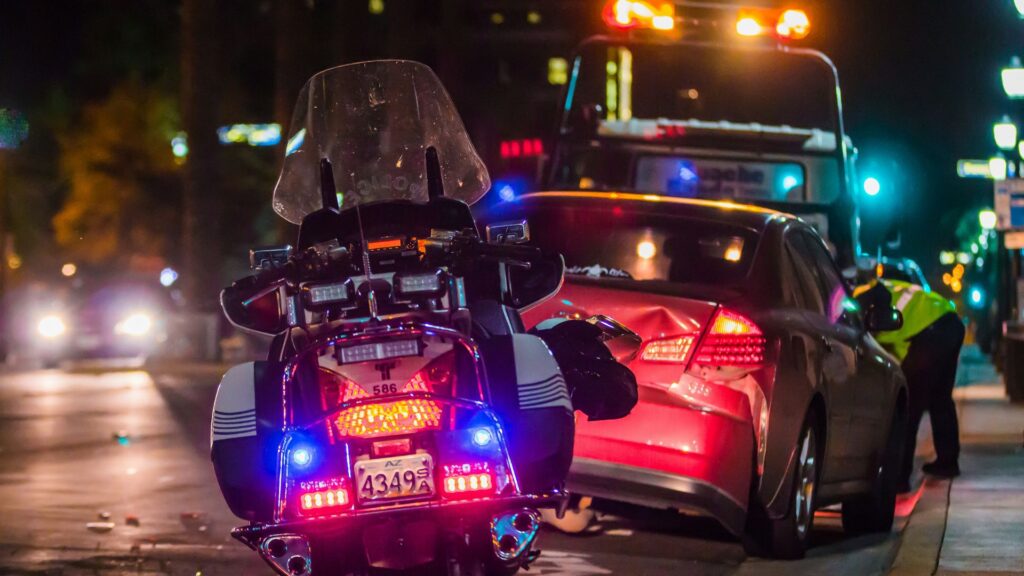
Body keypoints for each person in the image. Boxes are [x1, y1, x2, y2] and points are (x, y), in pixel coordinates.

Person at [855, 279, 965, 491]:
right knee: (940, 399)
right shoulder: (886, 285)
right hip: (949, 323)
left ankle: (899, 477)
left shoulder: (861, 297)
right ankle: (947, 462)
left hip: (929, 332)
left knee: (909, 408)